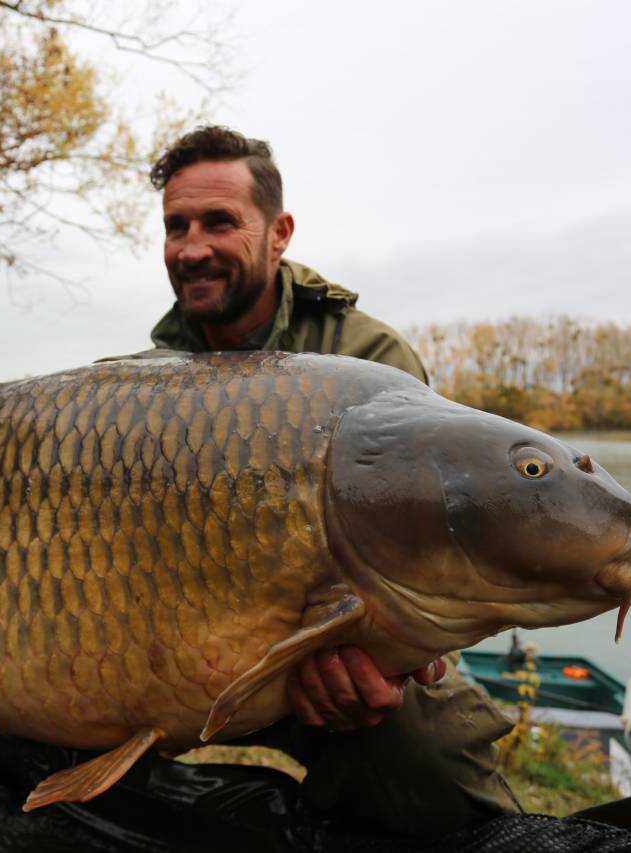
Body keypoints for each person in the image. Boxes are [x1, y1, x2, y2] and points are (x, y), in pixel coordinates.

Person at [142, 124, 520, 834]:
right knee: (42, 723)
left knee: (432, 762)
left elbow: (439, 553)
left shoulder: (368, 359)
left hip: (335, 660)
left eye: (219, 222)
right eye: (176, 226)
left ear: (278, 232)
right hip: (179, 661)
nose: (192, 248)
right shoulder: (148, 381)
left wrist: (397, 662)